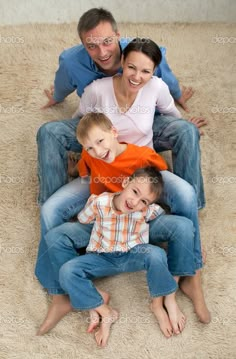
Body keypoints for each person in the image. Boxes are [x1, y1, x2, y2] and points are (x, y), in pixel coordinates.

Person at [36, 113, 209, 338]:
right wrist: (74, 171)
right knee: (55, 235)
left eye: (100, 142)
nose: (97, 151)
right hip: (104, 223)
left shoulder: (141, 162)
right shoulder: (92, 162)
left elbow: (159, 176)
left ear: (113, 133)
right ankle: (67, 295)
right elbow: (83, 189)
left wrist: (144, 198)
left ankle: (174, 290)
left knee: (183, 226)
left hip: (137, 230)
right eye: (90, 147)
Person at [38, 7, 206, 206]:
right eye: (92, 46)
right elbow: (65, 88)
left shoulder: (139, 53)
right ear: (83, 44)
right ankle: (53, 204)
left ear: (118, 35)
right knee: (49, 132)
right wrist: (56, 98)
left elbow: (163, 78)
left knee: (186, 130)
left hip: (143, 126)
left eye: (107, 41)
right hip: (100, 128)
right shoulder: (73, 63)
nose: (102, 52)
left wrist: (177, 94)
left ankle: (191, 203)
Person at [49, 167, 189, 347]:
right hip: (102, 258)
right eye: (135, 191)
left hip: (132, 255)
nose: (134, 202)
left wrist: (191, 246)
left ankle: (157, 303)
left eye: (143, 201)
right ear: (125, 183)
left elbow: (161, 213)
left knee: (157, 254)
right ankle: (105, 311)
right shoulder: (100, 202)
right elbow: (83, 219)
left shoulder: (146, 210)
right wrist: (93, 207)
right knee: (67, 271)